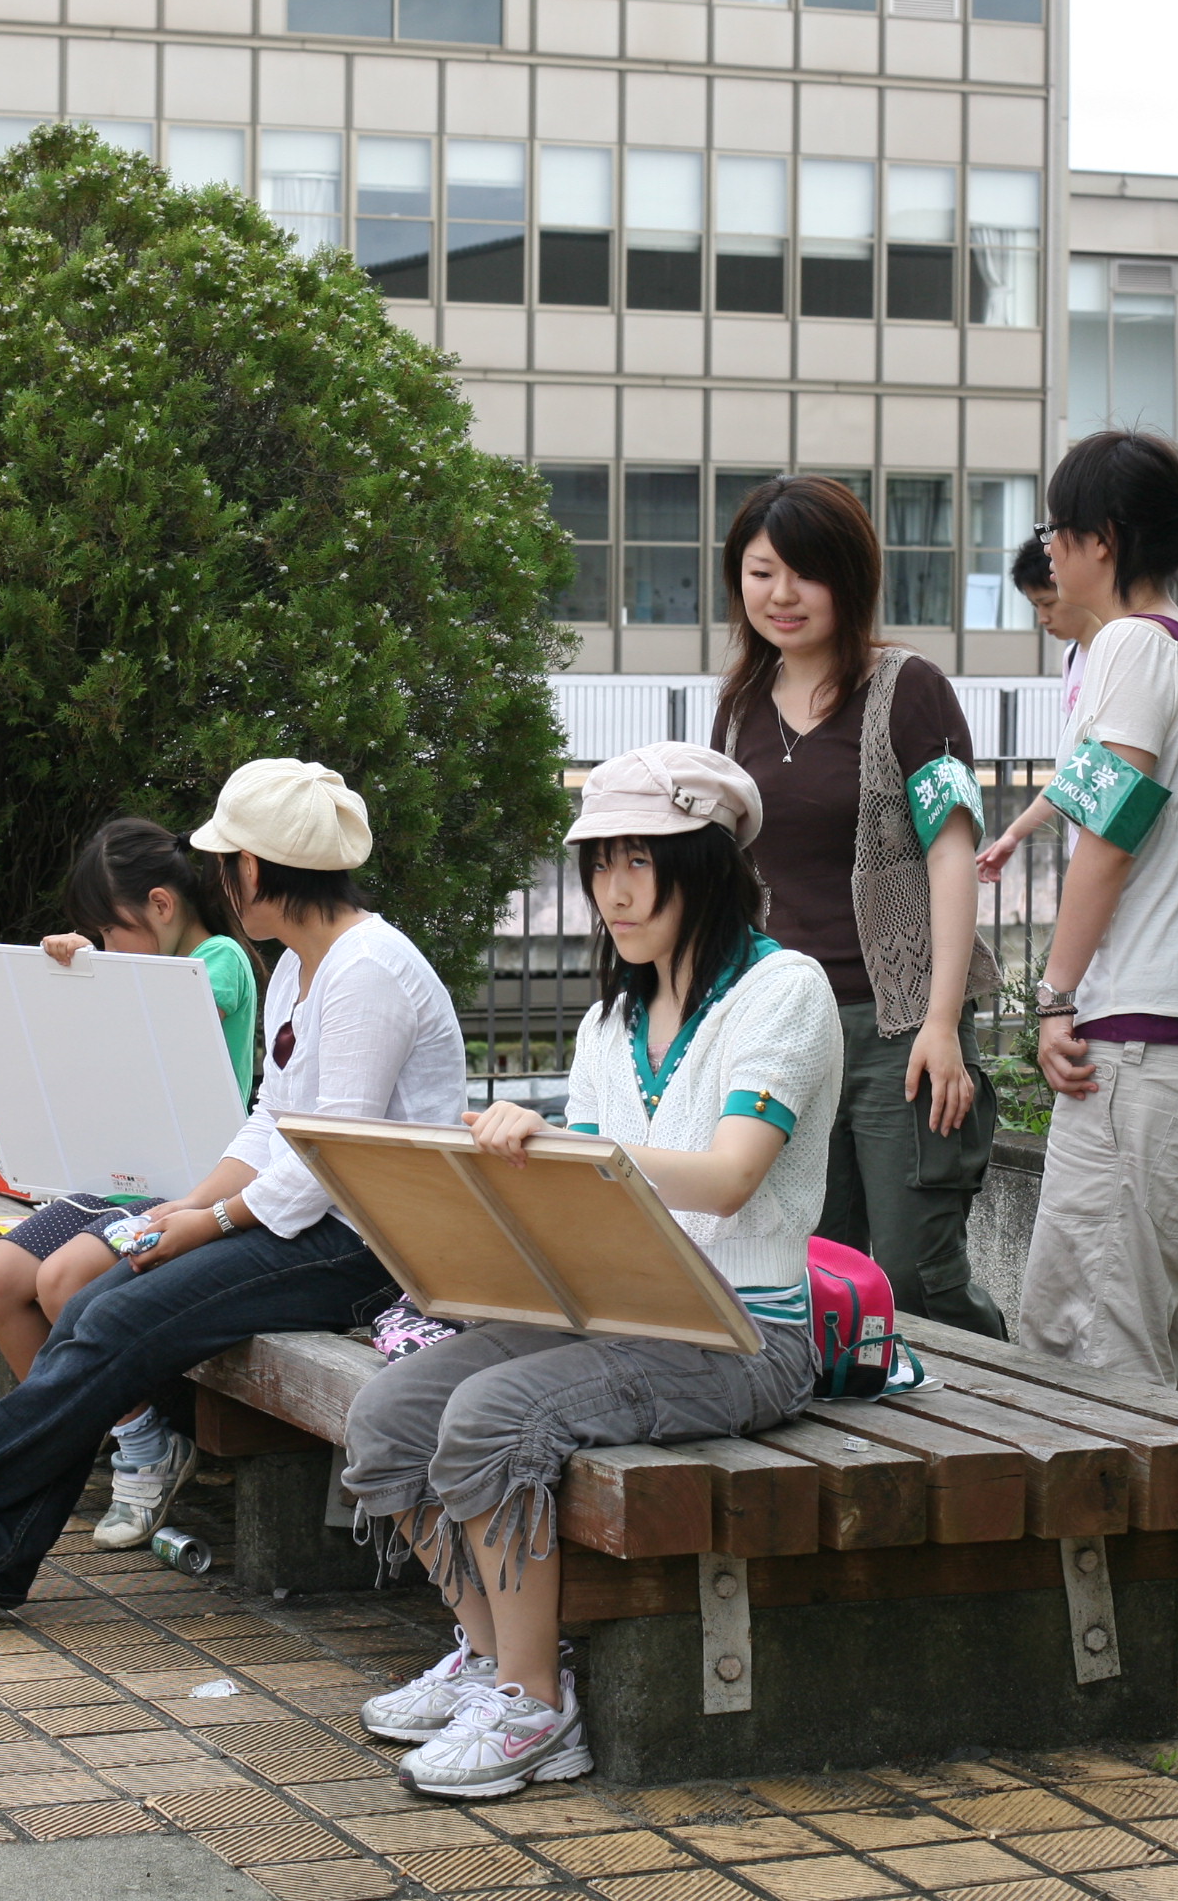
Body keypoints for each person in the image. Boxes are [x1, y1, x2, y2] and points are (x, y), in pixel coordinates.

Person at [0, 758, 466, 1620]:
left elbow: (332, 1161)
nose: (219, 880)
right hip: (310, 1223)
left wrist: (205, 1219)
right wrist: (188, 1209)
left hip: (369, 1243)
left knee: (113, 1315)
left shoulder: (367, 972)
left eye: (225, 863)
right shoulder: (304, 964)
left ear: (250, 870)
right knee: (101, 1309)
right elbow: (270, 1125)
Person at [342, 743, 836, 1798]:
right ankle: (489, 1656)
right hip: (614, 1313)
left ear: (705, 865)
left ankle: (536, 1707)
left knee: (489, 1418)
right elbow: (591, 1208)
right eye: (599, 860)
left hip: (745, 1334)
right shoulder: (610, 1019)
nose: (614, 888)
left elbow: (731, 1176)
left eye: (640, 859)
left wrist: (564, 1152)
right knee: (391, 1413)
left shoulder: (784, 993)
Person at [1018, 430, 1178, 1638]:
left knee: (1090, 1327)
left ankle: (1119, 1628)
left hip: (1139, 1055)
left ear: (1099, 544)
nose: (1049, 562)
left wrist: (1055, 994)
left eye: (1059, 538)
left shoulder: (1124, 646)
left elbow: (1108, 832)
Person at [709, 475, 1003, 1336]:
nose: (782, 595)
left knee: (915, 1275)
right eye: (762, 573)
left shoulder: (909, 689)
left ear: (851, 577)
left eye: (805, 573)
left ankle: (1004, 1420)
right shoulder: (735, 712)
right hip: (787, 1029)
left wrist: (941, 1021)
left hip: (898, 1026)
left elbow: (953, 848)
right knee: (813, 1271)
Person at [0, 816, 261, 1550]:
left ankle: (148, 1453)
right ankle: (63, 1437)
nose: (108, 943)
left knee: (64, 1282)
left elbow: (176, 1007)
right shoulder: (142, 963)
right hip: (113, 1176)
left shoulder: (220, 960)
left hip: (189, 1185)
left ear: (161, 905)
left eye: (112, 928)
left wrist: (93, 973)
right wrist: (78, 973)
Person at [972, 534, 1178, 885]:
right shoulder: (1074, 658)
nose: (1042, 618)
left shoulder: (1134, 651)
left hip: (1140, 867)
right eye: (1034, 607)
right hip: (1097, 859)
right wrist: (1015, 833)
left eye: (1047, 603)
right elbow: (1080, 771)